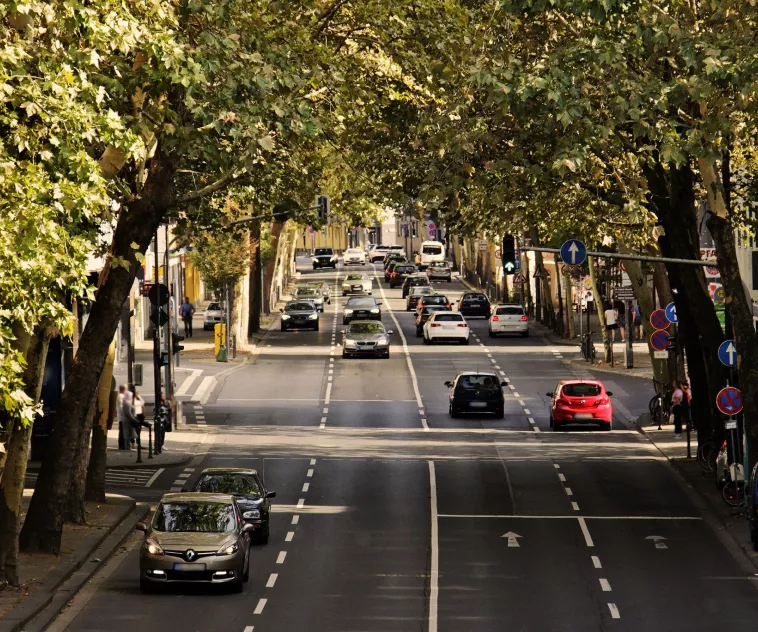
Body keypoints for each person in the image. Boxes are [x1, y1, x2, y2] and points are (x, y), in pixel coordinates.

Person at [117, 384, 128, 450]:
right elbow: (122, 407)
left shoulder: (121, 396)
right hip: (122, 417)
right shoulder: (121, 396)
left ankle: (123, 445)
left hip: (122, 417)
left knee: (122, 431)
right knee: (122, 431)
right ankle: (122, 445)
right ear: (124, 389)